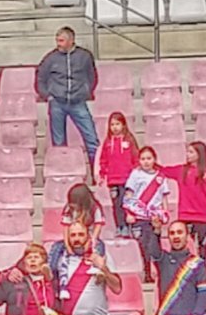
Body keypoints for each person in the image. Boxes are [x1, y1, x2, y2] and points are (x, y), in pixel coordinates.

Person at [46, 223, 121, 315]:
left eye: (80, 235)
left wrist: (103, 268)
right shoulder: (58, 259)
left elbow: (117, 288)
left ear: (88, 236)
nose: (77, 239)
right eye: (73, 235)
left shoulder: (101, 257)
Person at [36, 26, 100, 161]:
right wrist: (48, 96)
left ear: (71, 40)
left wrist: (86, 91)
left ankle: (96, 173)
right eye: (57, 40)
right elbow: (40, 78)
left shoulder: (84, 56)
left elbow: (92, 75)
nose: (58, 44)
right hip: (57, 103)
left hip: (78, 102)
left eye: (61, 41)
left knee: (92, 139)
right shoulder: (50, 58)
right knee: (59, 144)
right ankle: (61, 172)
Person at [122, 147, 175, 282]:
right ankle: (147, 273)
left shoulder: (160, 177)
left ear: (154, 159)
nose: (146, 162)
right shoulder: (135, 174)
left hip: (154, 216)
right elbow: (129, 195)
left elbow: (163, 197)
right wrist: (128, 212)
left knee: (155, 245)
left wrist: (165, 212)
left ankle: (160, 271)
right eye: (143, 159)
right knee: (143, 245)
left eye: (149, 158)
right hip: (139, 216)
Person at [166, 142, 206, 252]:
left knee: (202, 249)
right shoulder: (181, 170)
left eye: (191, 152)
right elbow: (163, 171)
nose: (187, 154)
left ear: (199, 154)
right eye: (187, 152)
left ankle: (201, 269)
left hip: (203, 217)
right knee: (184, 249)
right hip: (185, 216)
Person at [154, 220, 206, 315]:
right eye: (172, 233)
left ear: (187, 236)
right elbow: (152, 249)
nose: (176, 236)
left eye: (180, 232)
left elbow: (204, 296)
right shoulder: (163, 260)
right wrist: (156, 231)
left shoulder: (199, 264)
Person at [94, 112, 139, 236]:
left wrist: (136, 174)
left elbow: (136, 158)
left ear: (123, 125)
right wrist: (102, 174)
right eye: (112, 124)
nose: (114, 127)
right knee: (117, 205)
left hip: (128, 179)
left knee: (128, 203)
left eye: (117, 124)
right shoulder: (107, 142)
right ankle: (120, 226)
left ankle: (131, 226)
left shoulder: (129, 140)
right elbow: (103, 160)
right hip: (113, 180)